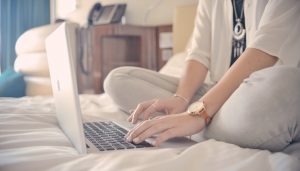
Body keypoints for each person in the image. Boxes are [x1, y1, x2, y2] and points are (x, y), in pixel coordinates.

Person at [104, 0, 300, 152]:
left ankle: (193, 123)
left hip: (258, 94)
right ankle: (195, 123)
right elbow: (199, 53)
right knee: (118, 80)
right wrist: (181, 98)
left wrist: (199, 113)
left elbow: (264, 50)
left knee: (286, 84)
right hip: (215, 91)